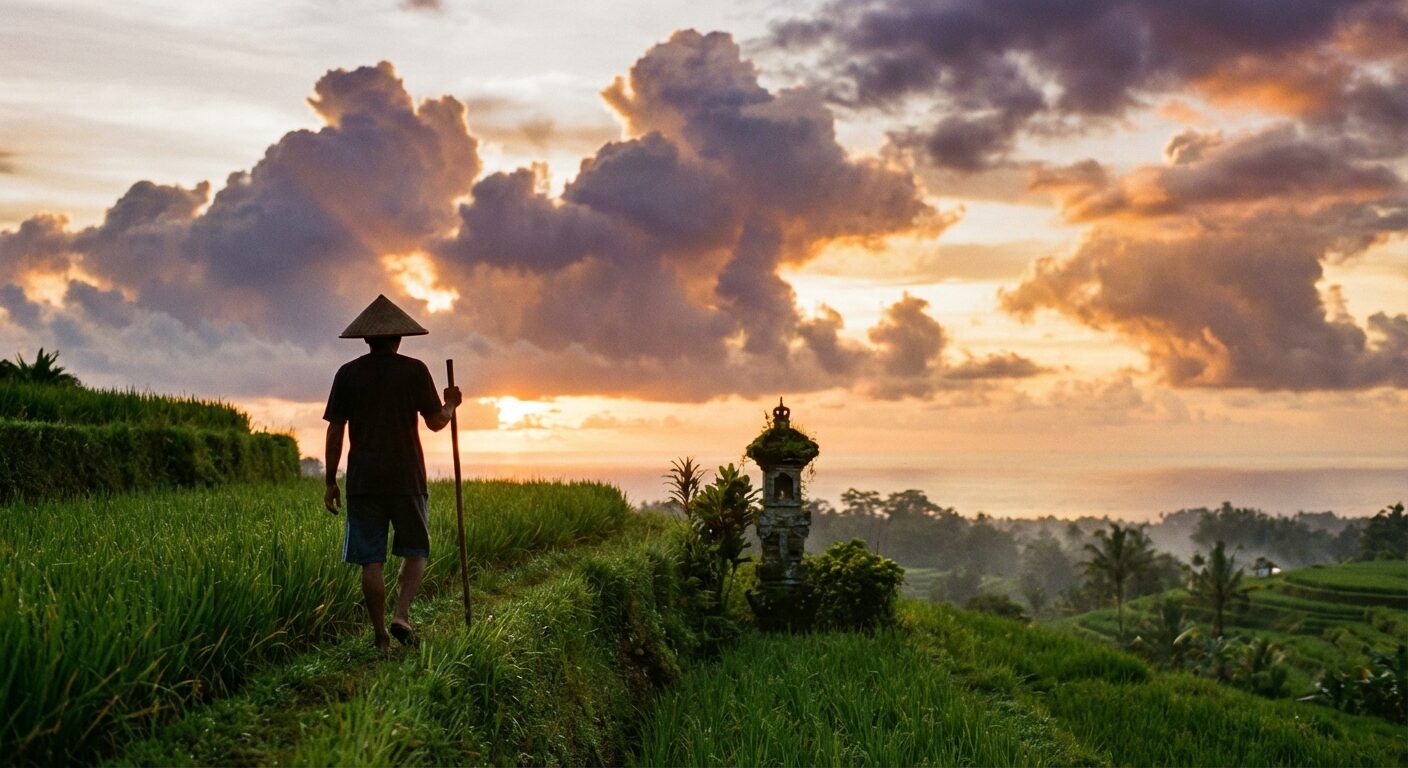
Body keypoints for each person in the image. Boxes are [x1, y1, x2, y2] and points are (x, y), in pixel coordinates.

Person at [322, 294, 461, 650]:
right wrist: (450, 404)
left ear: (367, 339)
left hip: (363, 481)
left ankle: (381, 636)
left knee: (371, 561)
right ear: (399, 338)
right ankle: (402, 615)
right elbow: (435, 423)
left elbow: (335, 430)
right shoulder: (414, 370)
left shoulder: (348, 374)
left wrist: (329, 481)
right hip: (406, 478)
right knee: (416, 549)